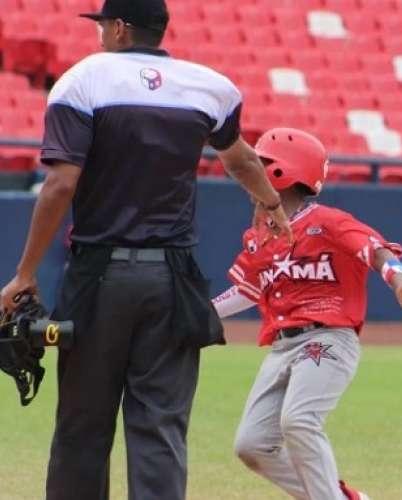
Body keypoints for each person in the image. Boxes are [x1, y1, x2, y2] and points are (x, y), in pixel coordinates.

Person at [0, 1, 292, 499]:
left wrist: (25, 271)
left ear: (118, 28)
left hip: (100, 276)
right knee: (159, 427)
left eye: (101, 27)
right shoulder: (210, 86)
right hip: (173, 281)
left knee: (83, 428)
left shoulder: (82, 81)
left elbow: (59, 185)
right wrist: (270, 204)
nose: (98, 36)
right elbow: (240, 158)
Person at [213, 127, 402, 500]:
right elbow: (248, 290)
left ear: (282, 173)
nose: (248, 176)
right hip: (282, 346)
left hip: (326, 339)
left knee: (298, 421)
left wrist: (400, 284)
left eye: (259, 166)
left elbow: (376, 250)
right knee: (252, 445)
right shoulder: (259, 234)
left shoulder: (326, 221)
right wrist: (202, 311)